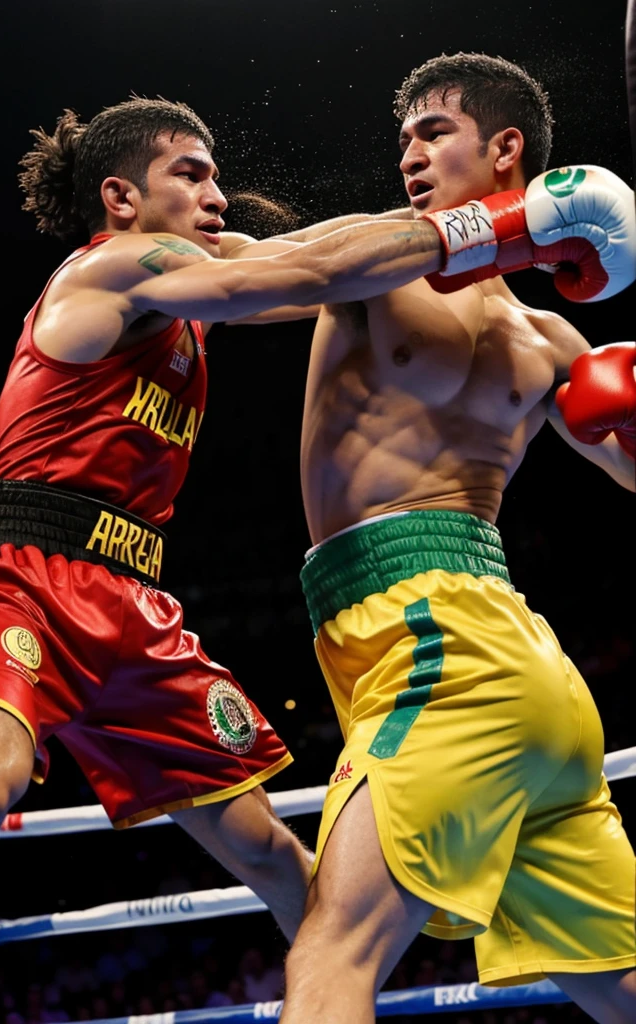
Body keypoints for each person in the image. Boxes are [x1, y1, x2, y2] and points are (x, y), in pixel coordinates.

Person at [0, 94, 621, 944]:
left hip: (132, 605)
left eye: (217, 177)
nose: (219, 196)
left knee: (276, 858)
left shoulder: (192, 282)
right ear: (122, 199)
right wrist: (507, 218)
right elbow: (304, 275)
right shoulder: (114, 267)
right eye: (191, 176)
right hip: (25, 572)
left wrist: (519, 233)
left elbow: (324, 257)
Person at [260, 54, 635, 1022]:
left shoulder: (549, 341)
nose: (408, 157)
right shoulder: (415, 271)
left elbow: (231, 285)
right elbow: (256, 278)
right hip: (522, 673)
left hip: (436, 641)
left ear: (505, 148)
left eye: (433, 132)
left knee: (330, 952)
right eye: (402, 142)